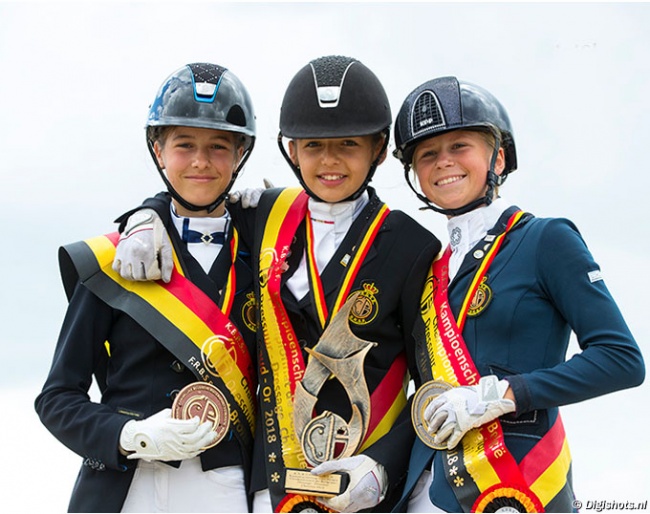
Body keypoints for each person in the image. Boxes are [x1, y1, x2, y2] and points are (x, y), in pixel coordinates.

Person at [111, 55, 443, 513]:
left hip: (360, 488)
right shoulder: (263, 216)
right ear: (290, 150)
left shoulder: (414, 245)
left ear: (379, 149)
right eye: (312, 145)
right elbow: (194, 195)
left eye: (348, 144)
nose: (329, 161)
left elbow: (430, 384)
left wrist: (382, 467)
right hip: (272, 488)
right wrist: (144, 216)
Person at [389, 76, 645, 513]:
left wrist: (500, 395)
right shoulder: (428, 270)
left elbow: (621, 360)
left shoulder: (545, 239)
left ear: (499, 157)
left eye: (459, 146)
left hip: (514, 483)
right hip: (425, 492)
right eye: (427, 154)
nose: (442, 162)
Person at [35, 62, 259, 513]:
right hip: (126, 482)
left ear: (240, 155)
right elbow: (57, 397)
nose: (200, 160)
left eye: (219, 146)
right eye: (184, 145)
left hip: (226, 486)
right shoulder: (115, 259)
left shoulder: (263, 252)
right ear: (158, 151)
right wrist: (128, 435)